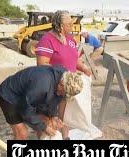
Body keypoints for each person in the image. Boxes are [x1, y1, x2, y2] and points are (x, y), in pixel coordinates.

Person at [0, 65, 83, 157]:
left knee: (48, 123)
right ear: (61, 84)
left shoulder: (65, 77)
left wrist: (53, 117)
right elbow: (26, 112)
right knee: (22, 134)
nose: (63, 96)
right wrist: (44, 127)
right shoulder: (42, 85)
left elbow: (55, 99)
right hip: (10, 96)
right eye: (64, 93)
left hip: (28, 97)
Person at [36, 10, 92, 140]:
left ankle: (65, 138)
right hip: (53, 87)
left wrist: (83, 68)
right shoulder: (47, 40)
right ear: (61, 26)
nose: (72, 26)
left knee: (64, 115)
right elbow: (41, 64)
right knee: (48, 118)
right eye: (69, 24)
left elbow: (74, 58)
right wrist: (63, 75)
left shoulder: (70, 39)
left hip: (67, 87)